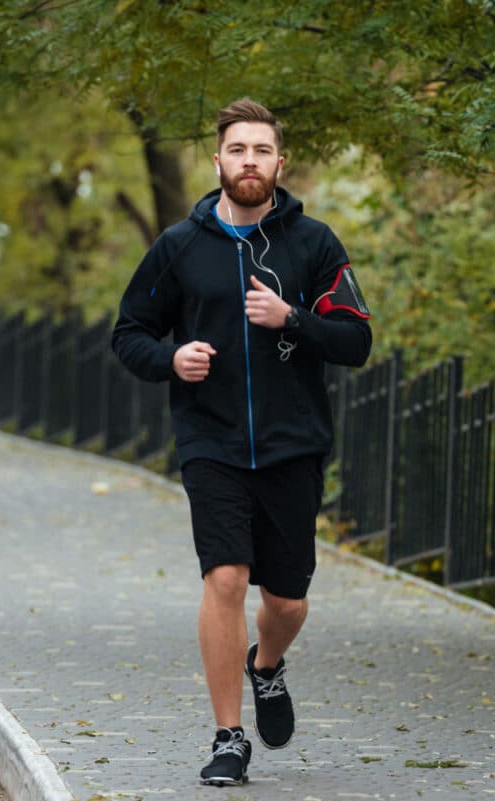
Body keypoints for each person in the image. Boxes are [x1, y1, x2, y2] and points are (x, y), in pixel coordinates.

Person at [111, 97, 372, 786]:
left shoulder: (314, 244)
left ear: (279, 164)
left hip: (294, 445)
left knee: (286, 600)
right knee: (224, 576)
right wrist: (171, 360)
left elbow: (356, 340)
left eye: (261, 150)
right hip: (211, 440)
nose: (249, 161)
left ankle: (267, 665)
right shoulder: (180, 247)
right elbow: (128, 332)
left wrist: (293, 318)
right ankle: (228, 736)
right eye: (237, 149)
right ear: (219, 160)